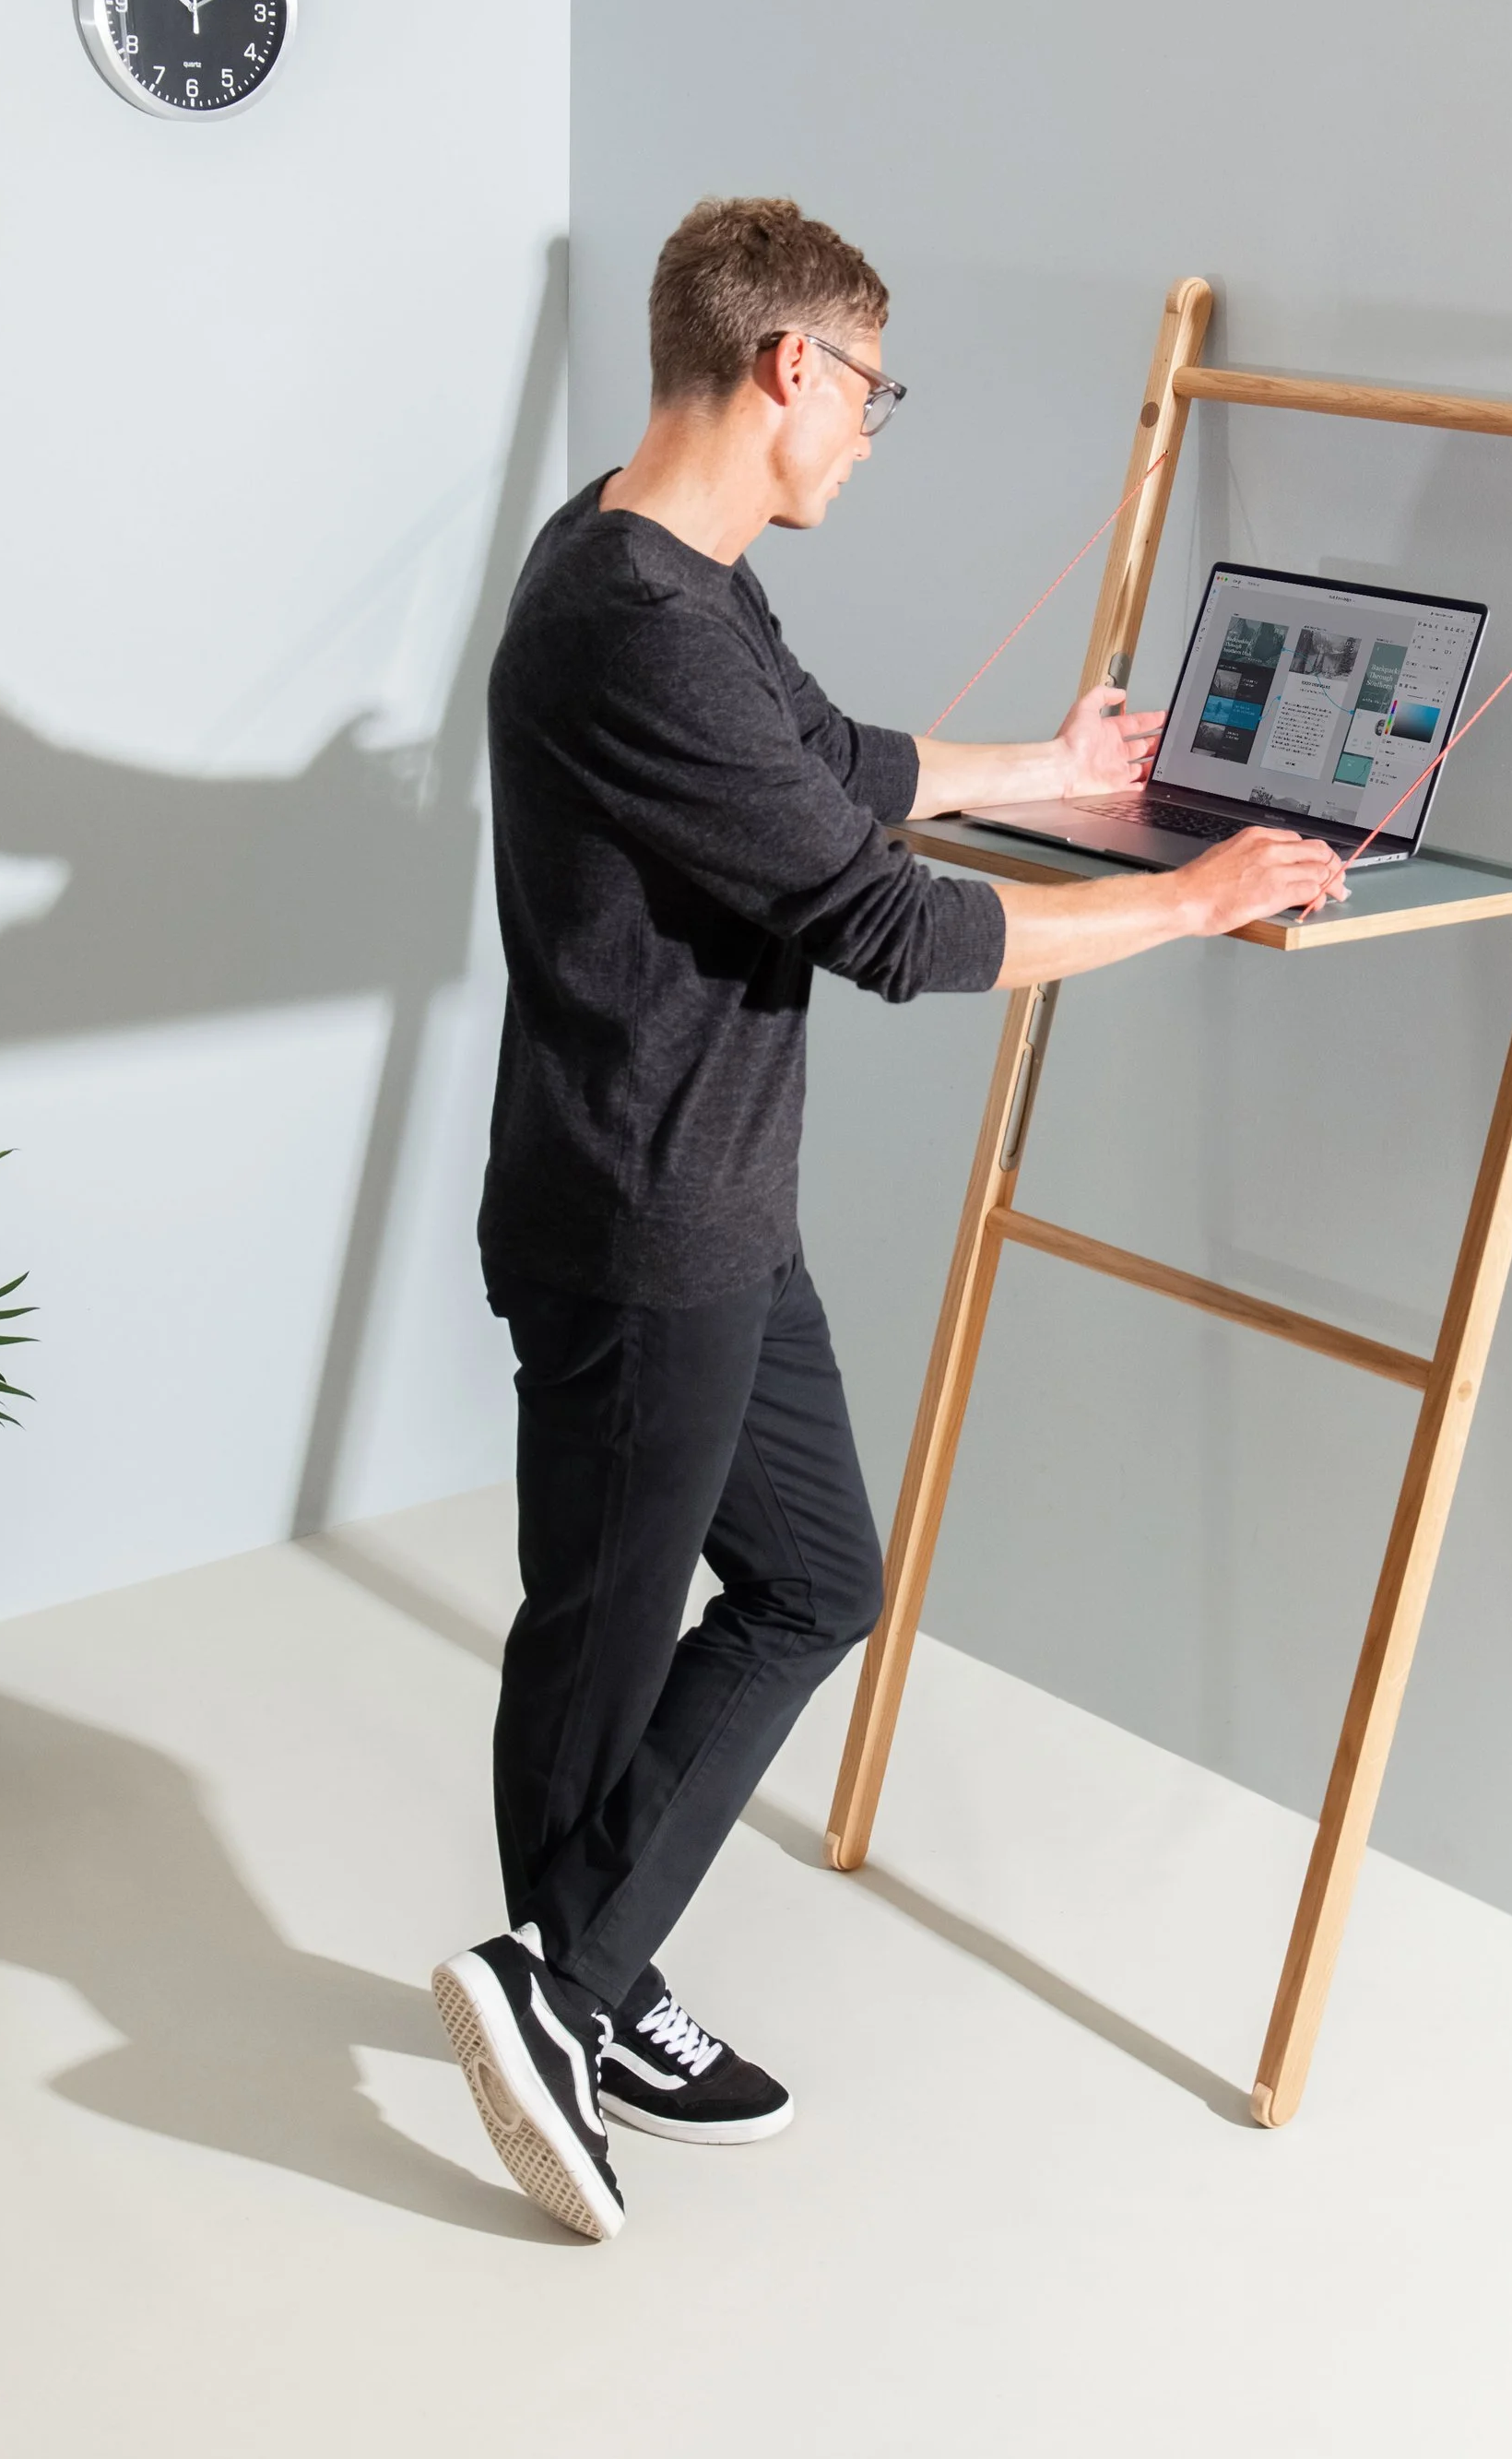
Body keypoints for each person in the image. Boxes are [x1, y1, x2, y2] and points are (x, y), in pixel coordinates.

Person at [434, 197, 1336, 2237]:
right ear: (788, 370)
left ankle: (564, 1977)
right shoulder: (626, 621)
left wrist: (1056, 761)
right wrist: (1191, 897)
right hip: (632, 1220)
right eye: (870, 390)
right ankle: (564, 1987)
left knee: (811, 1577)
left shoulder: (656, 551)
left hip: (717, 1203)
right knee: (594, 1637)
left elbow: (825, 770)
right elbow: (884, 923)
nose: (869, 434)